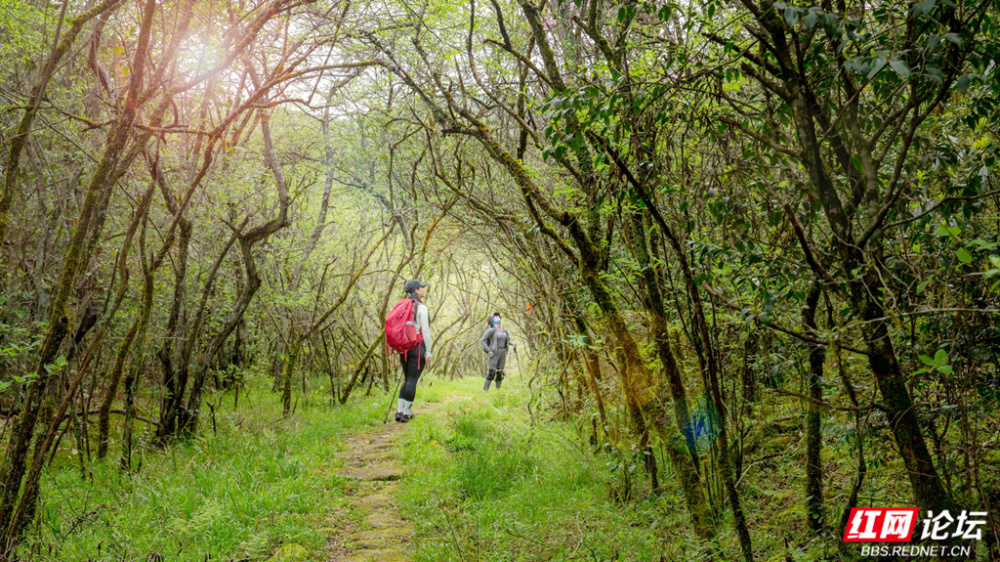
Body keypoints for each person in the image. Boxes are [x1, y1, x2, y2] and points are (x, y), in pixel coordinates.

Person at [397, 279, 432, 422]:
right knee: (412, 380)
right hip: (418, 347)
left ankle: (400, 411)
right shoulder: (421, 308)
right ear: (416, 291)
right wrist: (428, 351)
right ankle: (407, 413)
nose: (423, 290)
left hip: (404, 348)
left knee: (407, 379)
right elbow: (426, 331)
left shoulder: (402, 306)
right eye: (421, 288)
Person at [481, 312, 515, 391]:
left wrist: (513, 343)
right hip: (494, 354)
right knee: (491, 373)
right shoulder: (491, 330)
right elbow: (482, 340)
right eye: (495, 318)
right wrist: (489, 351)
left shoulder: (504, 330)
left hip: (503, 354)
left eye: (498, 317)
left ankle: (498, 391)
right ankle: (485, 390)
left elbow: (508, 341)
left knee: (500, 373)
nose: (497, 319)